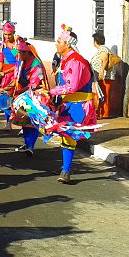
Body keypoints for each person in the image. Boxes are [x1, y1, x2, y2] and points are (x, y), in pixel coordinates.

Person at [50, 26, 97, 184]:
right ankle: (65, 168)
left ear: (67, 44)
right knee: (65, 136)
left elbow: (72, 87)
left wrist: (52, 92)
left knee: (68, 135)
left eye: (59, 41)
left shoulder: (76, 61)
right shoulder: (66, 60)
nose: (56, 44)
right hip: (69, 103)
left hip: (78, 104)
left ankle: (66, 171)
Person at [9, 39, 47, 156]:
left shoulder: (37, 65)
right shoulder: (21, 63)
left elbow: (34, 85)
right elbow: (16, 79)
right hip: (23, 95)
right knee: (24, 120)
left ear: (27, 53)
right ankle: (27, 143)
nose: (18, 55)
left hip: (35, 96)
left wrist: (18, 92)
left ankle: (30, 146)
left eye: (20, 53)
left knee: (33, 120)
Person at [0, 22, 19, 129]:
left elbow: (19, 64)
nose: (7, 36)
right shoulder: (2, 46)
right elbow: (0, 61)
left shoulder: (18, 45)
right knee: (6, 99)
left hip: (16, 74)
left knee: (17, 99)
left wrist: (6, 72)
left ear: (14, 33)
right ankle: (8, 122)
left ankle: (22, 123)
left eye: (9, 34)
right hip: (5, 75)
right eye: (5, 34)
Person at [90, 33, 115, 118]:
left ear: (96, 41)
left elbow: (105, 60)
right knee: (102, 94)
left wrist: (101, 72)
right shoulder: (101, 49)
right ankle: (101, 112)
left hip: (104, 76)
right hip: (101, 76)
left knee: (104, 94)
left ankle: (104, 113)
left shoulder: (103, 49)